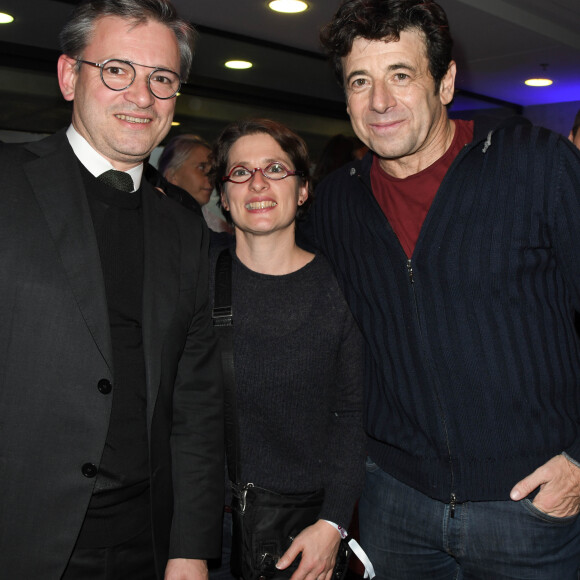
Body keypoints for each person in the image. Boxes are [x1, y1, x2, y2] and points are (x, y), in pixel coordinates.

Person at [301, 0, 580, 578]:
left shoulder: (536, 166)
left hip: (531, 507)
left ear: (445, 81)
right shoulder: (335, 204)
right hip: (393, 506)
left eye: (401, 75)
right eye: (361, 81)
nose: (380, 101)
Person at [0, 1, 224, 579]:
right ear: (69, 75)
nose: (142, 96)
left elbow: (194, 406)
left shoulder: (182, 225)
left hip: (144, 545)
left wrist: (190, 548)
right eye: (118, 70)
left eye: (162, 79)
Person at [209, 118, 366, 580]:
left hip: (305, 527)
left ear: (302, 190)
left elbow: (352, 415)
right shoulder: (195, 279)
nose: (257, 182)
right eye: (240, 172)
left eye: (275, 168)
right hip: (207, 527)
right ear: (223, 195)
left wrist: (333, 523)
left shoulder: (341, 286)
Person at [158, 133, 213, 209]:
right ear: (172, 175)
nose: (211, 178)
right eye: (201, 167)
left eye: (213, 170)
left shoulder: (211, 220)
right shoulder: (151, 216)